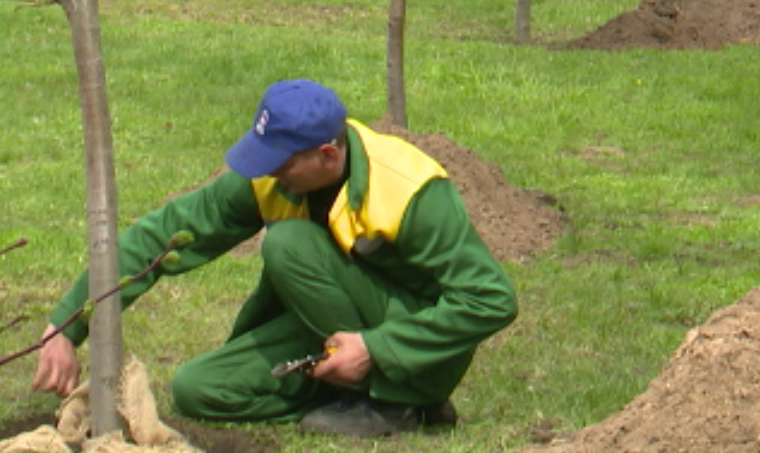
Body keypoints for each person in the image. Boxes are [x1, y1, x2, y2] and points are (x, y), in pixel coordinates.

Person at [32, 79, 518, 439]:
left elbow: (491, 299)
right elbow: (168, 233)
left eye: (281, 163)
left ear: (327, 155)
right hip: (328, 324)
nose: (269, 174)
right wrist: (69, 323)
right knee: (197, 388)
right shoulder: (275, 174)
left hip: (414, 344)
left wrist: (375, 348)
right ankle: (343, 390)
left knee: (288, 243)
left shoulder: (410, 190)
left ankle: (400, 403)